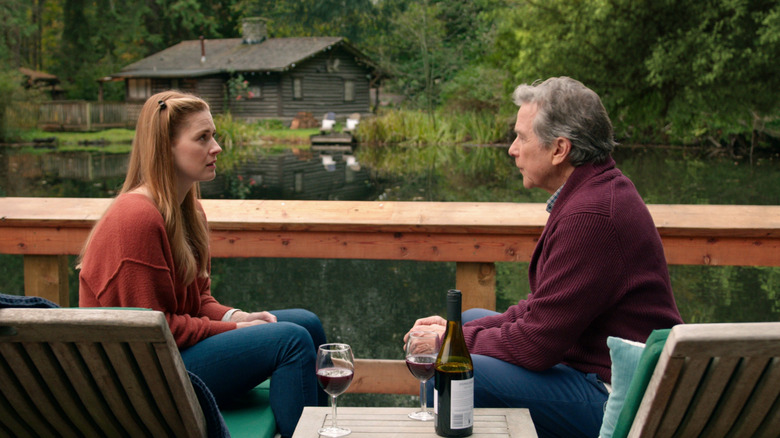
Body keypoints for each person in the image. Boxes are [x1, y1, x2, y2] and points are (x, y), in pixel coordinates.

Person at [407, 77, 683, 438]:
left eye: (522, 137)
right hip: (599, 370)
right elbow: (542, 310)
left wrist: (449, 344)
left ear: (559, 149)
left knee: (452, 372)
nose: (512, 149)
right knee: (470, 320)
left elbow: (536, 344)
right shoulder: (594, 193)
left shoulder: (593, 216)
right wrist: (454, 332)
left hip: (625, 399)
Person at [78, 90, 326, 437]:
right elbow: (150, 328)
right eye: (202, 138)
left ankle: (320, 430)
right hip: (139, 379)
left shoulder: (187, 210)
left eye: (214, 135)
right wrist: (235, 332)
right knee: (290, 341)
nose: (217, 147)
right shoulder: (134, 218)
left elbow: (198, 302)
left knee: (306, 323)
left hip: (171, 353)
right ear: (166, 147)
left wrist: (235, 317)